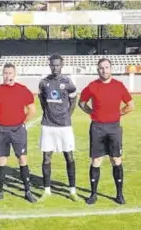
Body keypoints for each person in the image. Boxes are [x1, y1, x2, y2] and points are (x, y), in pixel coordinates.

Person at [78, 58, 135, 205]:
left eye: (107, 67)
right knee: (96, 160)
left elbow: (131, 105)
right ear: (98, 70)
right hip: (97, 127)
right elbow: (81, 103)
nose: (104, 70)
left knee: (116, 160)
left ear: (111, 68)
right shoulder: (92, 86)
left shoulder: (119, 86)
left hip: (114, 128)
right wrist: (92, 113)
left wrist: (118, 114)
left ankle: (119, 194)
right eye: (101, 68)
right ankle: (93, 194)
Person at [0, 63, 37, 203]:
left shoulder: (23, 90)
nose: (8, 75)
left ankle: (27, 191)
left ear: (15, 74)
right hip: (1, 129)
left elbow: (32, 110)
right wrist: (1, 121)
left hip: (18, 130)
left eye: (10, 73)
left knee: (22, 158)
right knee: (1, 159)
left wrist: (21, 122)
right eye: (5, 73)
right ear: (2, 74)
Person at [38, 54, 79, 201]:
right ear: (49, 65)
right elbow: (42, 101)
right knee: (46, 157)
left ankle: (72, 190)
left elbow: (74, 100)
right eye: (53, 65)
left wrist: (67, 115)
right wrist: (49, 113)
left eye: (57, 65)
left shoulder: (68, 82)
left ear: (62, 65)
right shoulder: (43, 82)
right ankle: (47, 190)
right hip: (48, 125)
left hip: (64, 126)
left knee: (69, 156)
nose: (55, 67)